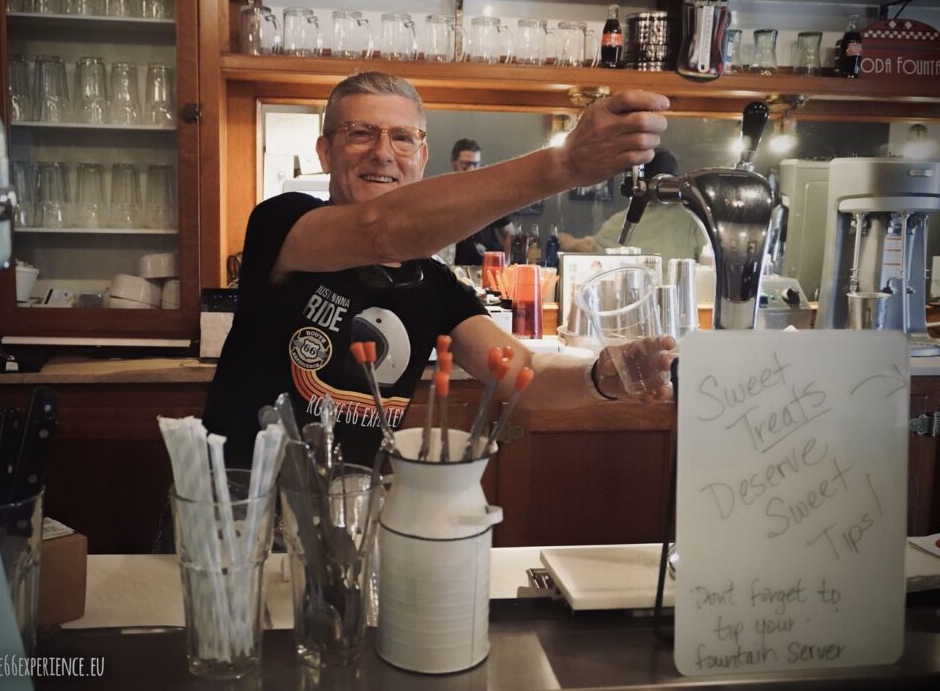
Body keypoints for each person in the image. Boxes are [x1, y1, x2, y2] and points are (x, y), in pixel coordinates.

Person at [204, 71, 675, 469]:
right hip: (238, 506)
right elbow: (380, 230)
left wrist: (599, 376)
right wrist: (563, 165)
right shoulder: (282, 222)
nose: (384, 153)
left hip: (349, 513)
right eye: (361, 133)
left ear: (423, 158)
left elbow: (522, 371)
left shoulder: (435, 285)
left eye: (403, 137)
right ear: (326, 152)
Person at [559, 148, 709, 261]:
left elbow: (592, 246)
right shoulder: (693, 217)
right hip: (678, 297)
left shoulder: (618, 222)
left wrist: (567, 241)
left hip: (633, 295)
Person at [450, 138, 514, 265]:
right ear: (453, 163)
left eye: (476, 164)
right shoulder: (443, 196)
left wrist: (505, 264)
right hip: (454, 269)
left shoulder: (490, 196)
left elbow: (510, 234)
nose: (471, 170)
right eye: (465, 165)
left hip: (487, 268)